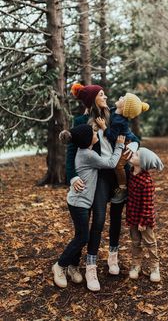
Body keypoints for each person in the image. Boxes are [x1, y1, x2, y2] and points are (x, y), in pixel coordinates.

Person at [65, 83, 132, 291]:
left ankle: (113, 257)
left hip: (118, 173)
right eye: (102, 94)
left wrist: (134, 145)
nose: (106, 97)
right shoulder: (81, 121)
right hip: (100, 175)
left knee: (116, 218)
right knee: (99, 218)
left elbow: (129, 135)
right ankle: (90, 267)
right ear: (93, 98)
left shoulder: (113, 116)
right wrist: (72, 176)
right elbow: (71, 153)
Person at [52, 124, 125, 291]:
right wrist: (119, 145)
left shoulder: (85, 152)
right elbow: (112, 162)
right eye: (92, 132)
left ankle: (71, 265)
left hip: (80, 202)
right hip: (79, 204)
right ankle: (60, 265)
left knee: (80, 235)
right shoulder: (88, 155)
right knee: (83, 237)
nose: (95, 132)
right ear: (87, 140)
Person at [96, 93, 149, 204]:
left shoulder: (120, 121)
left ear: (124, 107)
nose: (120, 97)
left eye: (123, 99)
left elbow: (112, 136)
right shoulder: (114, 110)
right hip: (123, 142)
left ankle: (123, 187)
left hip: (126, 145)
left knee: (118, 165)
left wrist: (103, 127)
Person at [126, 147, 164, 282]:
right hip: (133, 217)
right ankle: (136, 265)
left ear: (142, 163)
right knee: (135, 242)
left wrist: (143, 222)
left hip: (144, 220)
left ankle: (155, 267)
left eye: (136, 154)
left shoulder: (146, 182)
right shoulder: (131, 173)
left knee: (149, 242)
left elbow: (148, 205)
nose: (132, 154)